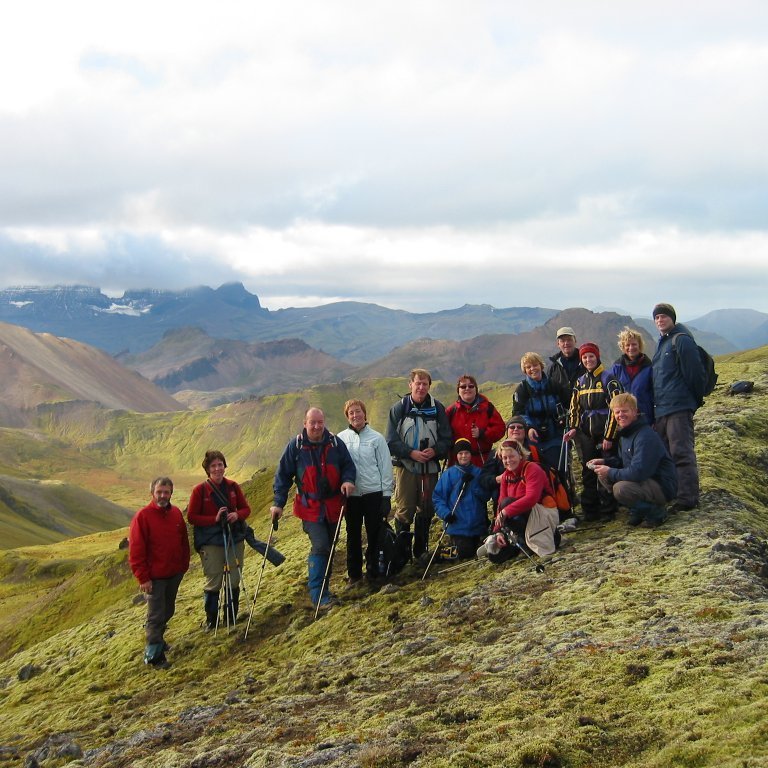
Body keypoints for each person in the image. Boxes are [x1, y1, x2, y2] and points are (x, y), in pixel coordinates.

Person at [271, 407, 356, 610]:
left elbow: (348, 465)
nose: (317, 426)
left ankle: (324, 590)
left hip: (333, 506)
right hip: (309, 507)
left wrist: (348, 480)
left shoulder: (335, 443)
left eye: (320, 422)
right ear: (305, 423)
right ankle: (318, 596)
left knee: (330, 546)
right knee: (320, 545)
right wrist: (278, 504)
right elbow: (282, 476)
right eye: (312, 422)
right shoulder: (296, 447)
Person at [386, 368, 452, 559]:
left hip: (429, 468)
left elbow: (447, 438)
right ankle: (402, 554)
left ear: (429, 386)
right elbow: (390, 440)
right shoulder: (399, 408)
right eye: (418, 383)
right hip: (406, 467)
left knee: (427, 508)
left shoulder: (437, 408)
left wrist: (435, 450)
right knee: (405, 508)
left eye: (425, 384)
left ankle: (421, 551)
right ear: (410, 385)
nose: (421, 387)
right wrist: (411, 453)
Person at [128, 477, 190, 669]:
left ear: (171, 493)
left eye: (166, 492)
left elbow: (183, 540)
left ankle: (159, 642)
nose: (163, 495)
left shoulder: (176, 513)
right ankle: (154, 656)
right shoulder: (142, 517)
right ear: (152, 493)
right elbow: (136, 551)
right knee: (155, 616)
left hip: (174, 573)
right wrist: (143, 578)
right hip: (155, 577)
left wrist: (183, 565)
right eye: (159, 492)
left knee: (168, 610)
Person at [187, 450, 251, 631]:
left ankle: (231, 618)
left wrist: (236, 515)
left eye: (220, 465)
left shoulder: (233, 486)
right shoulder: (199, 491)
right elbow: (192, 517)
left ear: (224, 466)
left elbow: (246, 509)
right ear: (207, 469)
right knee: (214, 580)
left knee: (234, 579)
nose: (217, 469)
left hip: (233, 538)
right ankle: (212, 621)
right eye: (213, 466)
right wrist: (214, 519)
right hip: (210, 541)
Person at [592, 393, 678, 528]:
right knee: (603, 475)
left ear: (635, 411)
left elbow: (638, 472)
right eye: (617, 412)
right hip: (644, 481)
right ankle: (638, 510)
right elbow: (623, 461)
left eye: (624, 411)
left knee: (621, 489)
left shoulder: (645, 436)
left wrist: (610, 471)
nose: (620, 415)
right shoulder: (626, 434)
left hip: (661, 485)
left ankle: (656, 512)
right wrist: (605, 462)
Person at [651, 302, 706, 512]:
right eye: (657, 317)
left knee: (681, 453)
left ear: (672, 318)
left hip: (678, 407)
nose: (660, 320)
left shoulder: (681, 340)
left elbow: (695, 374)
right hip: (662, 409)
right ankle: (675, 493)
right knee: (667, 454)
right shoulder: (663, 343)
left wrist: (693, 401)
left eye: (664, 316)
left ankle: (687, 498)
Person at [564, 342, 623, 521]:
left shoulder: (609, 379)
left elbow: (616, 409)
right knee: (588, 471)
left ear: (597, 357)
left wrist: (609, 436)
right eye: (584, 357)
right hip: (586, 435)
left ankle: (608, 509)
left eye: (591, 356)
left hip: (605, 435)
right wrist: (573, 427)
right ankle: (590, 510)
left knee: (605, 471)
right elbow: (574, 408)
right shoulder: (580, 382)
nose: (588, 360)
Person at [337, 399, 393, 585]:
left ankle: (374, 571)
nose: (355, 415)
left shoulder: (377, 439)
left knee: (374, 534)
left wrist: (386, 496)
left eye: (358, 411)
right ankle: (354, 575)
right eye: (351, 412)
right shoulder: (341, 439)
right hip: (351, 496)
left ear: (365, 413)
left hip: (373, 494)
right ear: (347, 416)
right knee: (352, 535)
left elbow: (386, 468)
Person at [479, 440, 559, 562]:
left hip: (541, 514)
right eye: (505, 458)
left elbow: (531, 499)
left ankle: (528, 541)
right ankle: (517, 542)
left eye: (511, 456)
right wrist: (498, 531)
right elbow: (500, 504)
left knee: (507, 504)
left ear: (520, 455)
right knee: (496, 557)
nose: (508, 460)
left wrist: (505, 512)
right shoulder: (506, 476)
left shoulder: (532, 468)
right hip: (519, 518)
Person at [512, 352, 570, 469]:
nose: (532, 369)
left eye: (535, 365)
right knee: (539, 469)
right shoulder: (522, 390)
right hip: (533, 437)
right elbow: (518, 414)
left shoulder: (553, 385)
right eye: (528, 367)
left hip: (555, 435)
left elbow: (568, 404)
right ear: (524, 370)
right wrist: (529, 427)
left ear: (541, 366)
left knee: (560, 468)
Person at [432, 438, 489, 559]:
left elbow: (485, 496)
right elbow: (438, 498)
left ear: (471, 454)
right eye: (460, 453)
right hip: (458, 525)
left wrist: (474, 485)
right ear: (456, 455)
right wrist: (446, 514)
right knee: (464, 552)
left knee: (481, 550)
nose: (464, 456)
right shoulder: (449, 474)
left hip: (477, 525)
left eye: (466, 453)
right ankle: (440, 554)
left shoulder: (478, 473)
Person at [445, 374, 505, 467]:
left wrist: (483, 433)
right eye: (463, 387)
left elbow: (500, 429)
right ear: (458, 391)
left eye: (471, 386)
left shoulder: (487, 408)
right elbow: (443, 433)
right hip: (458, 463)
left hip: (483, 461)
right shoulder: (451, 411)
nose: (467, 389)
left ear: (476, 389)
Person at [609, 327, 654, 425]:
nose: (631, 348)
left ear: (639, 345)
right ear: (623, 347)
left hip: (645, 417)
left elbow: (654, 394)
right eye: (627, 345)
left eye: (634, 344)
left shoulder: (649, 367)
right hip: (623, 419)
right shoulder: (617, 368)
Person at [547, 326, 585, 409]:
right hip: (562, 413)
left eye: (569, 340)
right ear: (558, 344)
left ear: (575, 341)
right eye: (562, 341)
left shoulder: (586, 362)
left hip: (584, 412)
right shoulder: (553, 367)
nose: (566, 343)